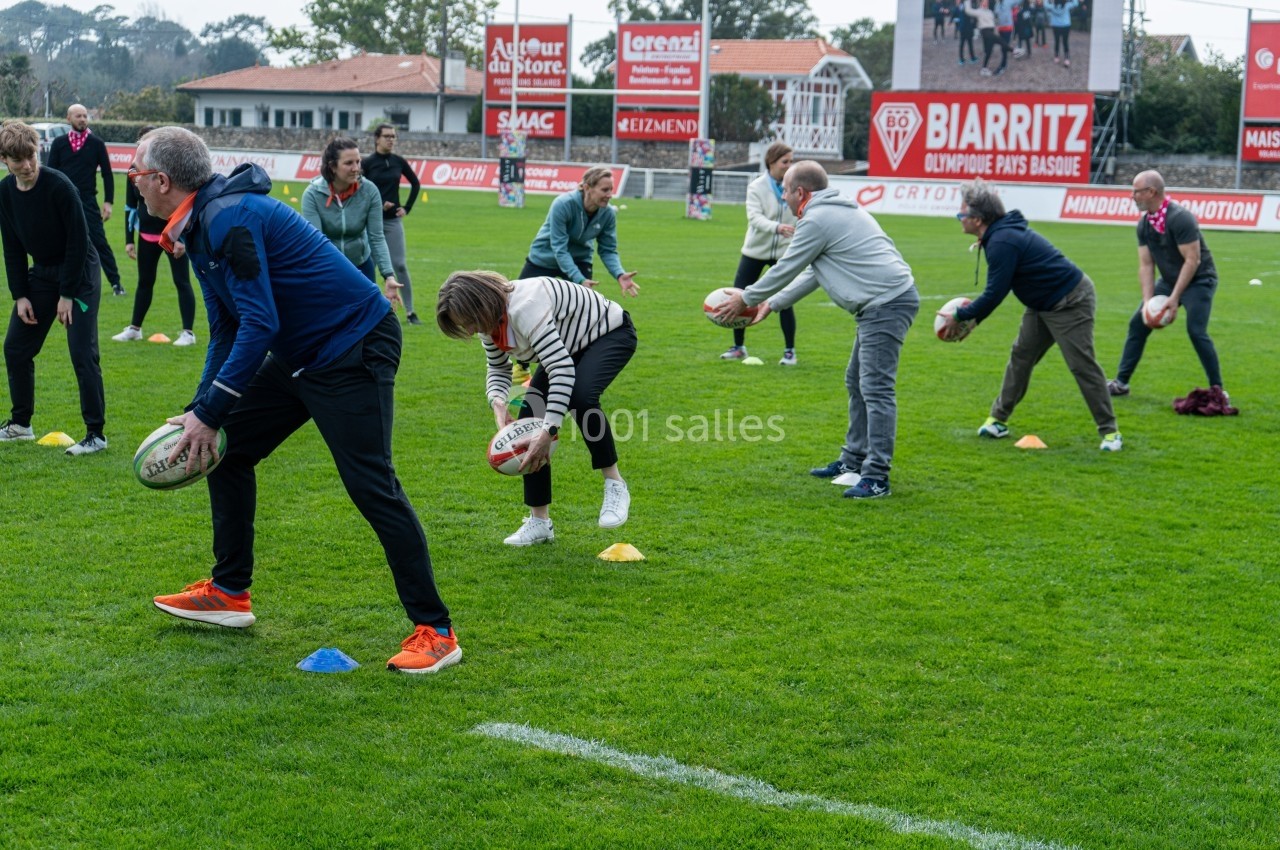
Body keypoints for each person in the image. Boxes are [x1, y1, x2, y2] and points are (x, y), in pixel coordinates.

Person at [135, 126, 458, 674]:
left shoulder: (228, 217)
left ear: (161, 180)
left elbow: (260, 323)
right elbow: (226, 329)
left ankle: (437, 630)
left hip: (354, 343)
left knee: (370, 484)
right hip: (299, 353)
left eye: (136, 176)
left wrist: (213, 410)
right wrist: (201, 411)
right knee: (227, 452)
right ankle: (229, 592)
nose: (134, 186)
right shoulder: (198, 223)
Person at [714, 161, 919, 500]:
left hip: (887, 304)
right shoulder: (834, 211)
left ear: (801, 192)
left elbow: (787, 267)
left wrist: (747, 298)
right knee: (857, 381)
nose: (784, 198)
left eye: (786, 191)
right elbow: (812, 273)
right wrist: (771, 304)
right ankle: (853, 461)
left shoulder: (818, 219)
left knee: (876, 389)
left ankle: (877, 476)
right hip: (884, 303)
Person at [437, 270, 637, 545]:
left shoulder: (525, 306)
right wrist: (497, 402)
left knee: (581, 398)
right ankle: (540, 522)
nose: (471, 330)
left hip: (608, 333)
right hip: (566, 347)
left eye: (470, 322)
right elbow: (497, 368)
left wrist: (549, 430)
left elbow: (561, 369)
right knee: (528, 422)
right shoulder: (488, 322)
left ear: (481, 304)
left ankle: (615, 484)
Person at [937, 179, 1122, 451]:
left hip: (1071, 301)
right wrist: (973, 319)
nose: (959, 219)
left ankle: (1110, 433)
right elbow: (998, 291)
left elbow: (995, 293)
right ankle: (998, 420)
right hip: (1041, 304)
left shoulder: (1002, 240)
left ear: (977, 219)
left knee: (1081, 364)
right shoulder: (997, 236)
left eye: (961, 214)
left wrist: (962, 316)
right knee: (1021, 356)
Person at [0, 120, 107, 455]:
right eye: (18, 160)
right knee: (16, 347)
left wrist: (67, 295)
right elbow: (13, 246)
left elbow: (79, 241)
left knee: (81, 352)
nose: (27, 165)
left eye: (31, 156)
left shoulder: (60, 186)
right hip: (42, 274)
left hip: (80, 274)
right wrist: (20, 295)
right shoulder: (5, 192)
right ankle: (21, 424)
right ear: (5, 160)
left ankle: (95, 435)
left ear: (38, 150)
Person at [1108, 169, 1225, 398]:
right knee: (1137, 324)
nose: (1133, 197)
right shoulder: (1144, 225)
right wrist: (1147, 302)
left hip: (1200, 280)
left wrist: (1174, 299)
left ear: (1151, 192)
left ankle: (1218, 390)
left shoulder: (1180, 218)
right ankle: (1121, 383)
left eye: (1136, 192)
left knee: (1196, 330)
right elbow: (1146, 265)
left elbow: (1193, 260)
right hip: (1170, 280)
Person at [113, 126, 197, 347]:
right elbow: (130, 207)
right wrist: (129, 240)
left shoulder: (171, 170)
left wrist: (182, 238)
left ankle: (188, 333)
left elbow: (185, 204)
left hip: (173, 237)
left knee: (182, 282)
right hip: (147, 237)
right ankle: (135, 329)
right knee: (144, 282)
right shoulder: (133, 171)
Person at [722, 142, 800, 365]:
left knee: (785, 300)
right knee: (739, 296)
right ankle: (738, 347)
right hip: (754, 251)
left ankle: (789, 352)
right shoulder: (756, 187)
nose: (789, 165)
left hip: (784, 253)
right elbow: (754, 218)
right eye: (785, 161)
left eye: (791, 161)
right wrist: (776, 227)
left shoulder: (796, 186)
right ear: (771, 162)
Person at [520, 166, 640, 297]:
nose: (610, 195)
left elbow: (608, 250)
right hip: (544, 258)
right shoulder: (563, 204)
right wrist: (579, 279)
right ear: (587, 187)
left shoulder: (608, 214)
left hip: (579, 260)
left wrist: (619, 274)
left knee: (582, 313)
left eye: (611, 190)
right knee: (517, 301)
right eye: (605, 190)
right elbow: (559, 249)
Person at [301, 136, 399, 293]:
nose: (356, 168)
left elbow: (376, 237)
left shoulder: (370, 191)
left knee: (367, 316)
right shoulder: (312, 195)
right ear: (333, 166)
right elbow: (316, 243)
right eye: (348, 163)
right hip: (328, 268)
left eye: (358, 161)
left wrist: (389, 276)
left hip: (361, 266)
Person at [47, 104, 124, 297]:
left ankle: (116, 284)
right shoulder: (59, 143)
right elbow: (50, 174)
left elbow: (107, 174)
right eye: (78, 116)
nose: (82, 119)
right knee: (59, 242)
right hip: (62, 201)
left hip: (88, 201)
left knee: (99, 241)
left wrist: (108, 202)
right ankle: (58, 284)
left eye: (85, 116)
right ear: (68, 118)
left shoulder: (96, 143)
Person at [362, 124, 423, 325]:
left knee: (400, 265)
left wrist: (407, 208)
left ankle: (410, 312)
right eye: (387, 136)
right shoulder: (368, 163)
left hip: (392, 222)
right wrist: (376, 205)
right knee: (369, 266)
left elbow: (416, 183)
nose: (391, 140)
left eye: (393, 137)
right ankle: (370, 311)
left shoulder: (398, 161)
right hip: (370, 222)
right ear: (377, 139)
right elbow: (358, 190)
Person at [966, 0, 1006, 77]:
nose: (986, 3)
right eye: (984, 2)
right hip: (986, 32)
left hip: (991, 31)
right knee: (1000, 41)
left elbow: (993, 21)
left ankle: (984, 68)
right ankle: (1014, 50)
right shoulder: (979, 11)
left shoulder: (989, 11)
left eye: (987, 2)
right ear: (981, 3)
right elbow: (968, 11)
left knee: (989, 51)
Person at [1048, 0, 1080, 67]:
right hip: (1066, 25)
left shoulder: (1052, 6)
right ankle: (1066, 59)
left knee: (1057, 41)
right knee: (1065, 42)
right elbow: (1076, 3)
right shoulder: (1067, 5)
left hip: (1056, 25)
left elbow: (1045, 5)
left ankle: (1056, 57)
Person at [957, 0, 978, 64]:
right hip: (967, 27)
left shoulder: (961, 5)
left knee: (963, 44)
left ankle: (962, 59)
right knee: (969, 43)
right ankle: (971, 58)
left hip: (963, 27)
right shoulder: (966, 4)